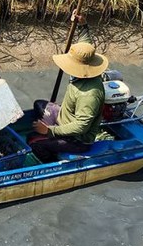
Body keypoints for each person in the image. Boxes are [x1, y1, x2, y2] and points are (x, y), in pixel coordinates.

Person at [29, 13, 108, 162]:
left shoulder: (89, 95)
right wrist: (82, 25)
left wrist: (50, 131)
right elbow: (86, 47)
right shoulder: (85, 65)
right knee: (39, 105)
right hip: (64, 118)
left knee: (36, 146)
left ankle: (50, 159)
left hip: (76, 138)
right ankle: (48, 134)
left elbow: (81, 127)